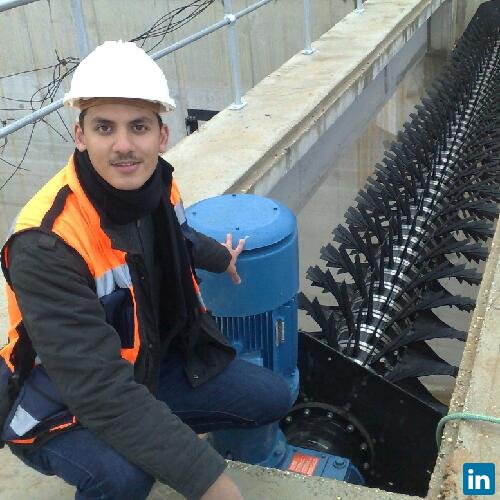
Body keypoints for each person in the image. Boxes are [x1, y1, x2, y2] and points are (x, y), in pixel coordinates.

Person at [0, 41, 292, 499]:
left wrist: (219, 257)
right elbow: (96, 389)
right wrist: (209, 482)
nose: (123, 146)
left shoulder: (159, 183)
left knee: (271, 397)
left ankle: (148, 428)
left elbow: (176, 238)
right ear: (80, 136)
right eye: (104, 128)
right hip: (59, 398)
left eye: (138, 127)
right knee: (124, 477)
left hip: (147, 366)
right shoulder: (47, 241)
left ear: (162, 135)